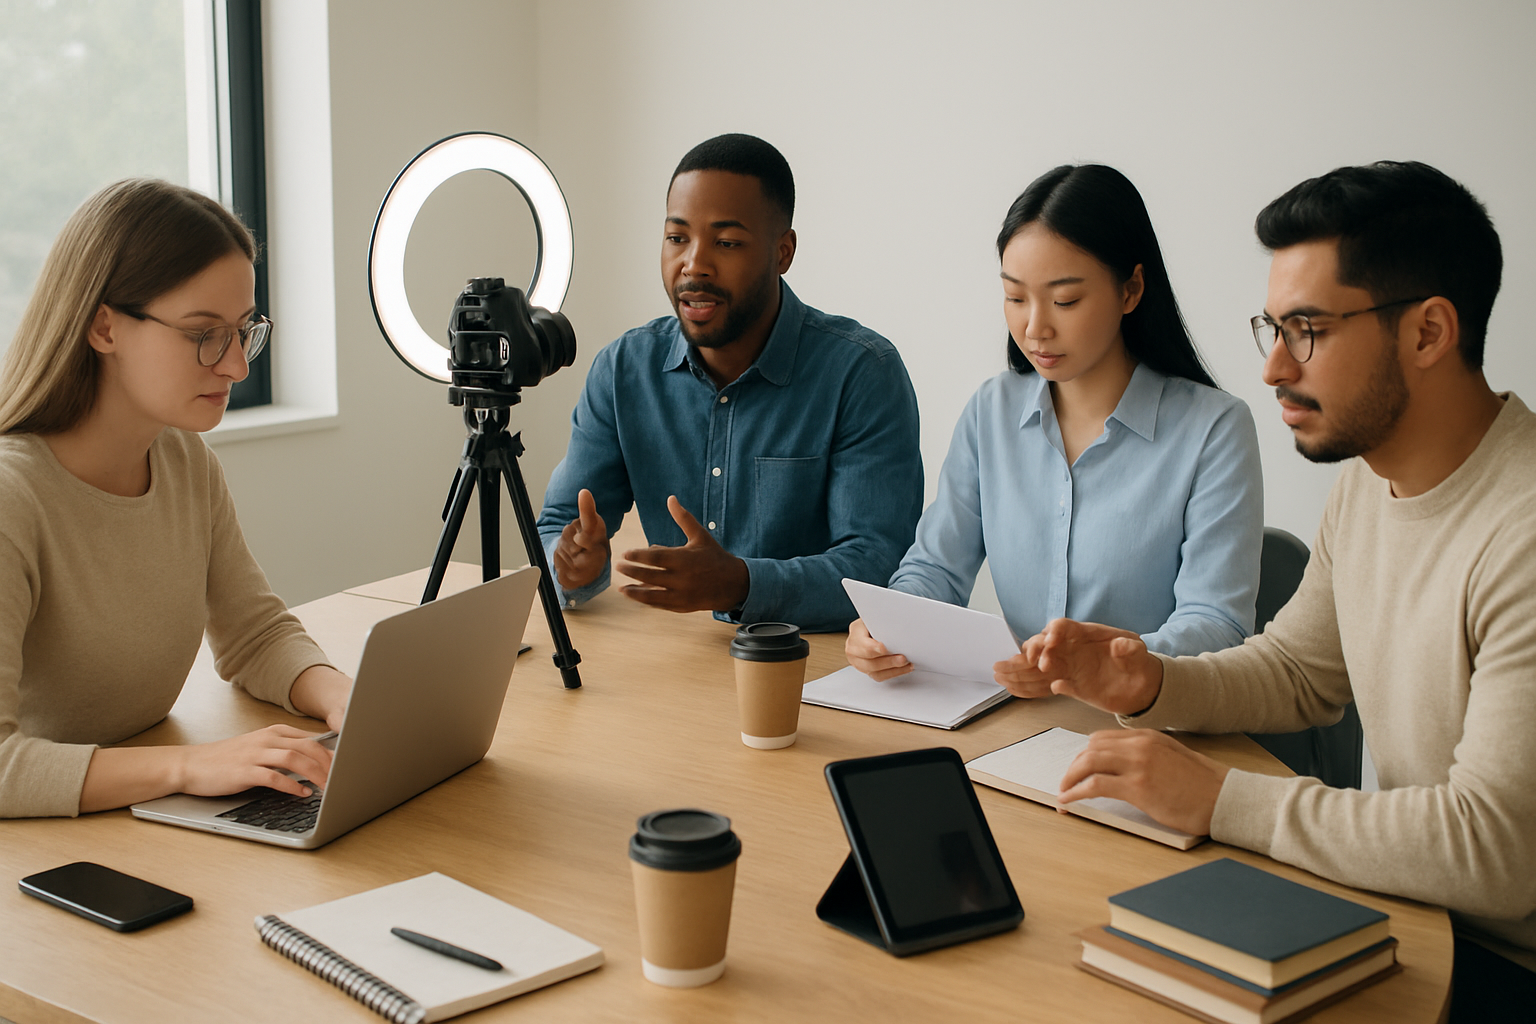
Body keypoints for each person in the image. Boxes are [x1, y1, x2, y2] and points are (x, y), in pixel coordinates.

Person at [1009, 161, 1536, 1019]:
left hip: (1499, 965)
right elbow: (1299, 672)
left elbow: (1494, 854)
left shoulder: (1523, 532)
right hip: (1412, 913)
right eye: (1274, 328)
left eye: (1308, 330)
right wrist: (1148, 680)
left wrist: (1220, 798)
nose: (1273, 368)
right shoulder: (1370, 481)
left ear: (1429, 332)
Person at [0, 179, 351, 819]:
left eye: (244, 331)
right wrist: (188, 766)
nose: (237, 366)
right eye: (203, 333)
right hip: (40, 845)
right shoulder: (12, 498)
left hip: (132, 813)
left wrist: (344, 697)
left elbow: (255, 635)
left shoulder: (185, 462)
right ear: (104, 326)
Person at [846, 165, 1262, 680]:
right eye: (1015, 297)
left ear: (1131, 290)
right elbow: (935, 568)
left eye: (1065, 300)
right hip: (1016, 711)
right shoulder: (991, 410)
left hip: (1145, 718)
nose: (1035, 327)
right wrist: (889, 623)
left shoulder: (1215, 429)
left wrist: (1095, 666)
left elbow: (1217, 625)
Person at [536, 134, 923, 633]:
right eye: (677, 238)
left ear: (782, 252)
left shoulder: (862, 373)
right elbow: (558, 526)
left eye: (727, 243)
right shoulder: (623, 369)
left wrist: (741, 584)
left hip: (814, 663)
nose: (693, 264)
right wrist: (571, 565)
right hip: (675, 657)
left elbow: (876, 565)